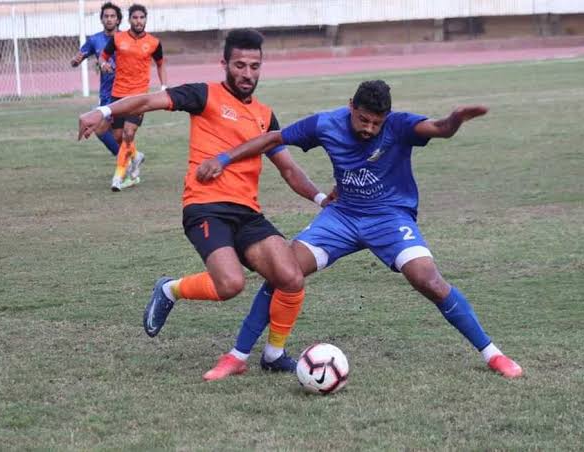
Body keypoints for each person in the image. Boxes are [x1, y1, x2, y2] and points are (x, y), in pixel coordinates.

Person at [196, 80, 524, 380]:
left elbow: (437, 127)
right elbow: (273, 138)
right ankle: (238, 356)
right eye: (363, 119)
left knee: (430, 281)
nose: (369, 129)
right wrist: (224, 158)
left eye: (376, 124)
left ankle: (493, 355)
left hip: (390, 218)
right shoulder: (326, 123)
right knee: (284, 273)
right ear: (351, 105)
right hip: (342, 217)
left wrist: (454, 120)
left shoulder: (398, 125)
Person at [78, 29, 334, 378]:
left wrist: (321, 198)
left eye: (254, 66)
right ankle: (170, 288)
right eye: (240, 65)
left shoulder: (264, 115)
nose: (247, 73)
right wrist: (103, 109)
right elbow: (149, 101)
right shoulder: (203, 95)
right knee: (230, 285)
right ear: (225, 63)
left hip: (248, 213)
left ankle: (274, 355)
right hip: (205, 206)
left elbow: (288, 169)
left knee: (290, 277)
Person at [99, 3, 167, 191]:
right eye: (135, 18)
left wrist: (163, 87)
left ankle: (118, 177)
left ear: (146, 19)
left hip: (139, 96)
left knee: (129, 133)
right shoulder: (118, 38)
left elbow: (161, 64)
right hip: (118, 94)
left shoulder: (154, 42)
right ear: (129, 20)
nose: (139, 21)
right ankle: (136, 156)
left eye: (142, 18)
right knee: (119, 136)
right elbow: (103, 56)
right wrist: (103, 64)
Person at [70, 2, 122, 159]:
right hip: (106, 93)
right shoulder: (95, 40)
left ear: (118, 20)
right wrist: (75, 60)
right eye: (106, 16)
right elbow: (75, 61)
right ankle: (129, 162)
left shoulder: (125, 39)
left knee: (103, 129)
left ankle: (127, 160)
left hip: (124, 91)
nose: (109, 19)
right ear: (101, 19)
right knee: (113, 133)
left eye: (112, 16)